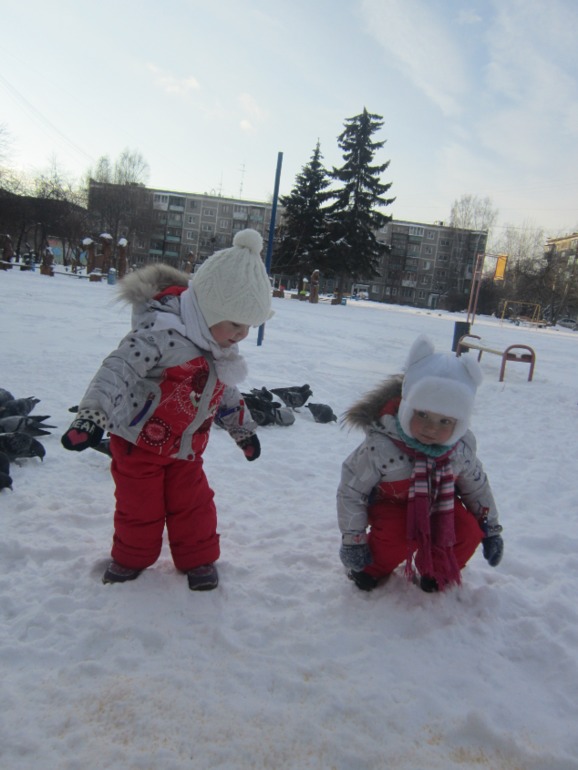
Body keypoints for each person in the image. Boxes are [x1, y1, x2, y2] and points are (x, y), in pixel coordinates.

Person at [62, 229, 273, 591]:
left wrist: (244, 430)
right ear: (209, 307)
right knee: (139, 507)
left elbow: (225, 394)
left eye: (249, 327)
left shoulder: (217, 348)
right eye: (236, 323)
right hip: (137, 443)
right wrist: (92, 415)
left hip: (186, 450)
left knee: (194, 505)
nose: (241, 334)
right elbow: (119, 370)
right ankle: (130, 559)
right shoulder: (160, 334)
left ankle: (198, 559)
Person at [337, 334, 503, 593]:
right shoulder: (382, 446)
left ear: (459, 424)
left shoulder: (458, 451)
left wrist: (490, 529)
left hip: (439, 504)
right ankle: (370, 568)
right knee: (396, 533)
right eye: (422, 414)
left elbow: (477, 488)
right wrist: (353, 541)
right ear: (406, 408)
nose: (430, 428)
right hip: (390, 503)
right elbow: (351, 490)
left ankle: (437, 571)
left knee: (467, 530)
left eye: (445, 421)